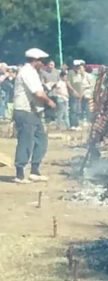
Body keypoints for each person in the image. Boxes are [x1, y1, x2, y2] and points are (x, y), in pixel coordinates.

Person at [12, 48, 56, 183]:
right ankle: (20, 174)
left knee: (41, 139)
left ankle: (35, 171)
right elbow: (37, 93)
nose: (42, 63)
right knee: (26, 141)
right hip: (25, 111)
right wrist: (49, 101)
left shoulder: (33, 72)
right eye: (40, 61)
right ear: (35, 60)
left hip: (33, 111)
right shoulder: (27, 72)